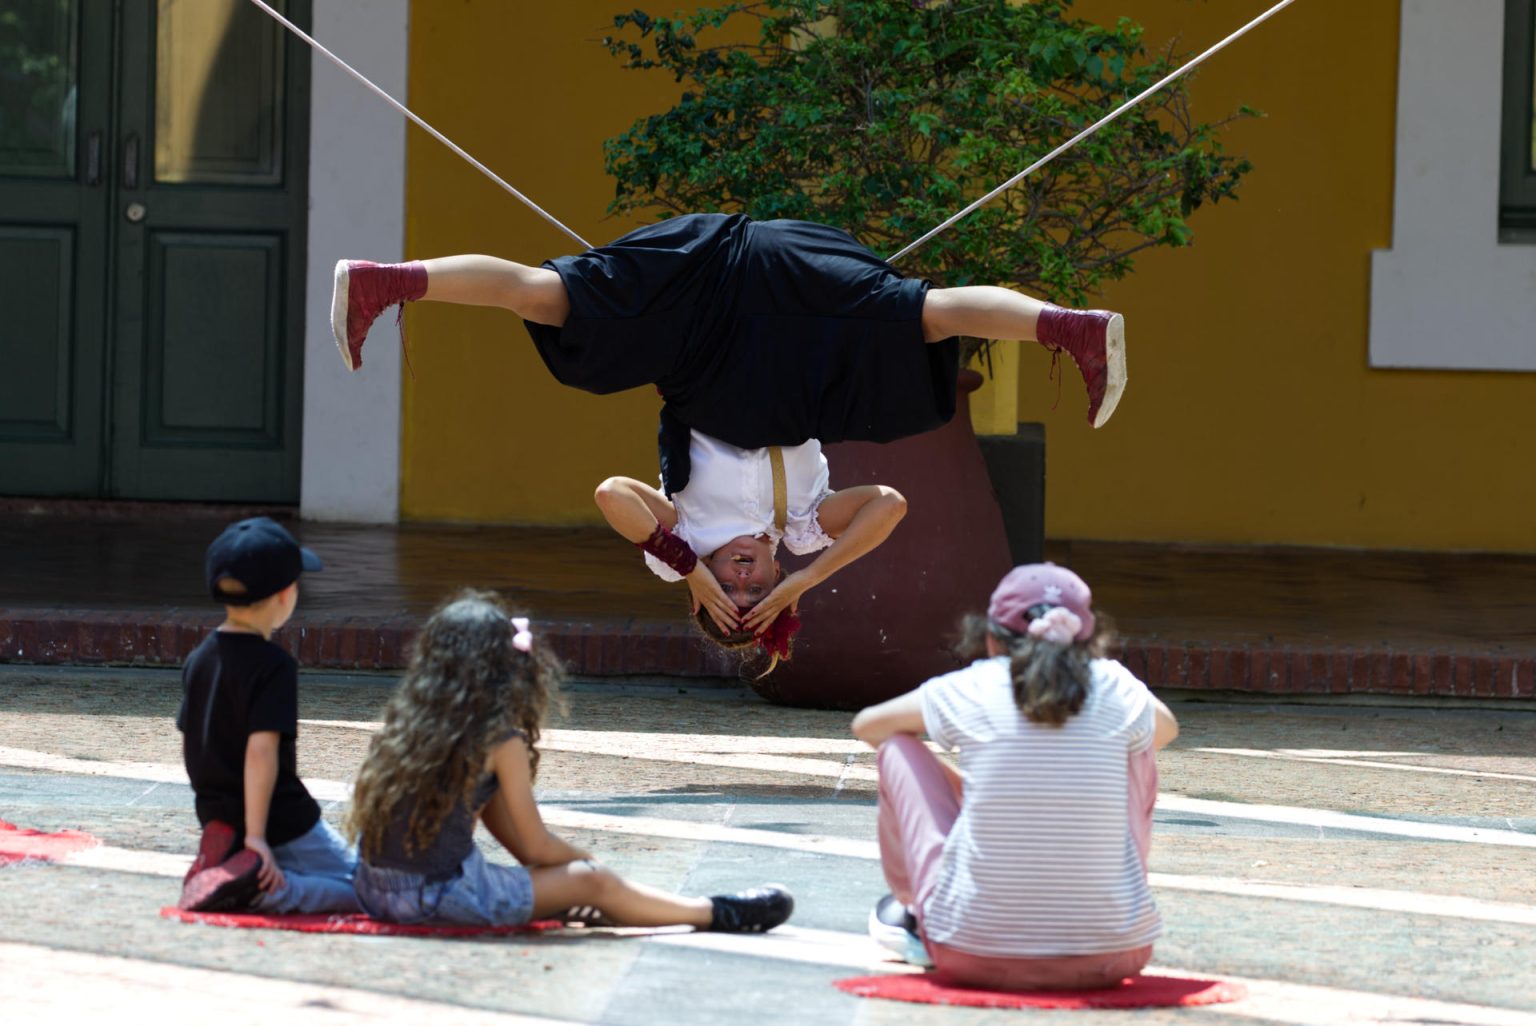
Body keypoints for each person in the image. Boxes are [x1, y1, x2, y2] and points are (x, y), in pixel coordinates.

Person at [333, 214, 1126, 654]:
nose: (743, 582)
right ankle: (1071, 329)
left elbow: (614, 495)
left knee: (554, 304)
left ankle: (389, 281)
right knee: (921, 319)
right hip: (790, 297)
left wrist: (687, 570)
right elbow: (887, 503)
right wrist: (803, 582)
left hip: (701, 319)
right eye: (757, 590)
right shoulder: (807, 531)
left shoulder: (682, 538)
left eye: (729, 596)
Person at [347, 590, 795, 933]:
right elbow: (537, 848)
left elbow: (518, 844)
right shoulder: (500, 740)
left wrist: (553, 876)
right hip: (435, 898)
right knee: (592, 881)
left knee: (568, 880)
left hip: (373, 890)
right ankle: (714, 912)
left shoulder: (403, 727)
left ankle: (594, 900)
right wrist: (587, 867)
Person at [850, 563, 1178, 990]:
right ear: (1090, 640)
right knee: (1140, 747)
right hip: (1115, 954)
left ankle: (913, 907)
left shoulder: (973, 685)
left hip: (969, 953)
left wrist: (963, 783)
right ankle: (1106, 904)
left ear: (990, 637)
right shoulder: (1116, 685)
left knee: (898, 747)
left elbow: (868, 725)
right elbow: (1167, 729)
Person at [176, 517, 360, 915]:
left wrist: (219, 812)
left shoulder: (199, 658)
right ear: (284, 594)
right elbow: (261, 751)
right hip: (281, 818)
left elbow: (192, 742)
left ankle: (231, 865)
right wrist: (257, 838)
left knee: (342, 869)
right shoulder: (273, 665)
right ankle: (266, 890)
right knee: (371, 890)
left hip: (219, 815)